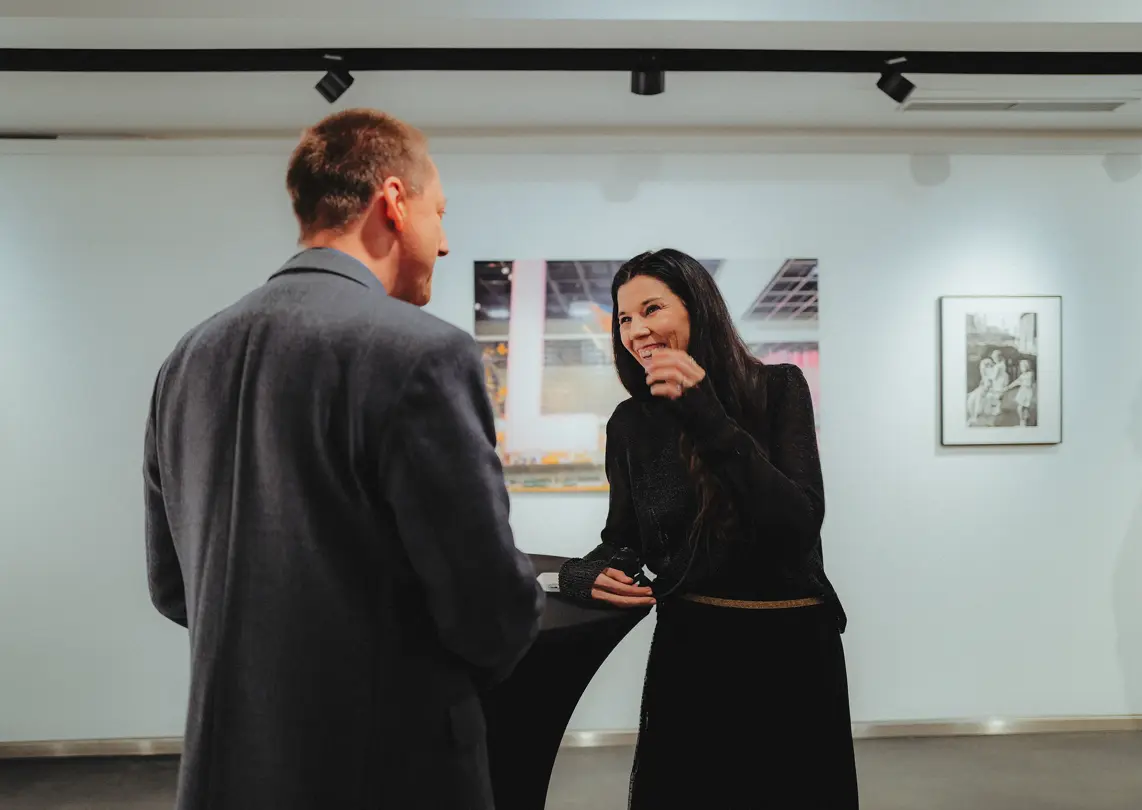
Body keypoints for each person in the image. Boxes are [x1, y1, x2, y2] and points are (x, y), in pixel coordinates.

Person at [143, 109, 544, 810]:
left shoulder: (187, 358)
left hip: (228, 766)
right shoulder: (423, 352)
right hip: (389, 768)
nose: (445, 244)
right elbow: (488, 613)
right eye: (439, 213)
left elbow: (172, 589)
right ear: (392, 202)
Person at [558, 249, 858, 809]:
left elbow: (796, 524)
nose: (636, 330)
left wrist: (705, 414)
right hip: (691, 652)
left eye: (651, 309)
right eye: (623, 318)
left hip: (790, 654)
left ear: (697, 309)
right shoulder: (630, 423)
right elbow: (624, 540)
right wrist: (584, 576)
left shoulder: (777, 389)